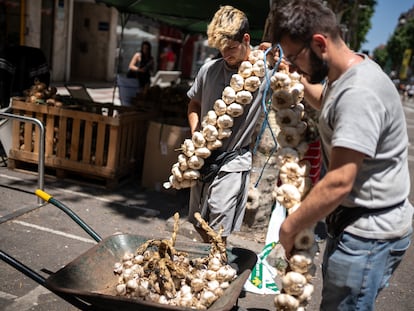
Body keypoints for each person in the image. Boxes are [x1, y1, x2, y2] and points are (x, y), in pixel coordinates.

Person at [270, 1, 413, 310]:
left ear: (319, 43)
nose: (293, 66)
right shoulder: (345, 75)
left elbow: (338, 182)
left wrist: (290, 225)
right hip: (356, 225)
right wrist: (297, 79)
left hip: (368, 236)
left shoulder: (359, 92)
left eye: (295, 57)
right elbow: (329, 105)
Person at [186, 5, 265, 243]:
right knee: (198, 221)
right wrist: (195, 135)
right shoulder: (208, 70)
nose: (225, 54)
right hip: (204, 156)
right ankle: (209, 265)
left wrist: (276, 54)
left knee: (219, 223)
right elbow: (193, 104)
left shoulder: (263, 74)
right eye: (221, 48)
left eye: (231, 47)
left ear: (246, 39)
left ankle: (216, 267)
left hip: (233, 161)